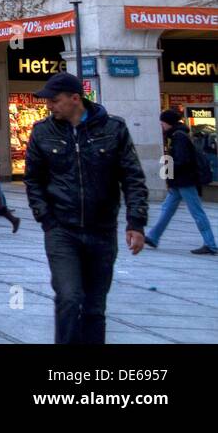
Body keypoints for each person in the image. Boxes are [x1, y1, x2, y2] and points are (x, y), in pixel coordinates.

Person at [24, 72, 149, 345]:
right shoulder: (43, 132)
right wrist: (45, 217)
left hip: (101, 230)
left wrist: (136, 223)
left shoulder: (113, 129)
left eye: (55, 101)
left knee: (94, 306)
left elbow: (132, 177)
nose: (50, 106)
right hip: (61, 230)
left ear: (75, 98)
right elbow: (33, 179)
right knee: (69, 298)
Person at [145, 109, 216, 255]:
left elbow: (182, 160)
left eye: (162, 122)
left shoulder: (179, 137)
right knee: (167, 208)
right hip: (179, 181)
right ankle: (153, 236)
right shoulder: (177, 135)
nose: (161, 125)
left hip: (185, 181)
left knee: (197, 212)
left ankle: (211, 244)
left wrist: (168, 169)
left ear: (168, 123)